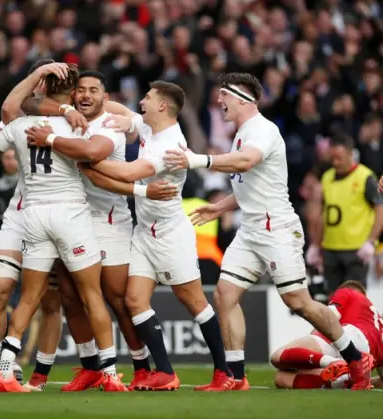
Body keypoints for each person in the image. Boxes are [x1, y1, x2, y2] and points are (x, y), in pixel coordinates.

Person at [163, 72, 374, 390]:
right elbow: (250, 186)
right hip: (251, 230)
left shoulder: (263, 130)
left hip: (277, 229)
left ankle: (356, 359)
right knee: (224, 295)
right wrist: (220, 207)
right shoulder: (241, 133)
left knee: (299, 302)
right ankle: (235, 377)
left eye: (224, 94)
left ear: (243, 97)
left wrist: (198, 160)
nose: (219, 100)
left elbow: (246, 162)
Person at [24, 71, 178, 391]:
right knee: (69, 294)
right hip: (73, 219)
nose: (86, 95)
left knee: (116, 297)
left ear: (105, 97)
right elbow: (26, 103)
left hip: (109, 221)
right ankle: (91, 366)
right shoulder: (67, 118)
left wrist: (51, 138)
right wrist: (63, 111)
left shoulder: (111, 124)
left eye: (94, 90)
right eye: (80, 90)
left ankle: (141, 367)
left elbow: (92, 155)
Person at [84, 81, 233, 391]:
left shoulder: (170, 145)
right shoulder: (150, 125)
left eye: (148, 97)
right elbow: (121, 111)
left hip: (170, 234)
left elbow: (127, 174)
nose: (142, 101)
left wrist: (85, 158)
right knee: (134, 300)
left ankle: (225, 372)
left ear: (163, 106)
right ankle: (164, 372)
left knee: (193, 301)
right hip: (144, 231)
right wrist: (77, 107)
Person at [0, 64, 128, 392]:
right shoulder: (79, 126)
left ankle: (5, 372)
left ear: (43, 88)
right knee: (91, 294)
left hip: (33, 215)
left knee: (28, 299)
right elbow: (93, 151)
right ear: (72, 91)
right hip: (70, 215)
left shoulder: (22, 124)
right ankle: (109, 373)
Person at [0, 59, 70, 392]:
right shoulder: (19, 121)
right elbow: (6, 115)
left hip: (61, 214)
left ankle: (40, 376)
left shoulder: (73, 117)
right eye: (40, 81)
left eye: (50, 82)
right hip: (20, 212)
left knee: (50, 301)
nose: (44, 88)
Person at [305, 134, 383, 293]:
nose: (335, 162)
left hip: (356, 250)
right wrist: (315, 245)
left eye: (339, 158)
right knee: (333, 299)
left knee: (354, 298)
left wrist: (371, 241)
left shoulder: (365, 177)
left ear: (350, 154)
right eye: (332, 158)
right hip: (331, 248)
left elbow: (380, 209)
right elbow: (324, 215)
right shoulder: (327, 178)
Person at [270, 281, 382, 390]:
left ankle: (335, 363)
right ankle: (345, 379)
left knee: (277, 357)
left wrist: (312, 343)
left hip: (348, 339)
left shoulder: (347, 292)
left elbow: (326, 319)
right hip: (365, 356)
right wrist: (366, 379)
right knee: (281, 379)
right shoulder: (378, 326)